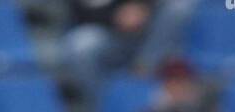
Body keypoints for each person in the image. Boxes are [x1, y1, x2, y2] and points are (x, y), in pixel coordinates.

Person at [60, 1, 198, 104]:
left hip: (151, 33)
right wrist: (115, 16)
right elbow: (79, 15)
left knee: (180, 5)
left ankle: (146, 66)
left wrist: (141, 6)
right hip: (110, 35)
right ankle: (109, 104)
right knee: (80, 44)